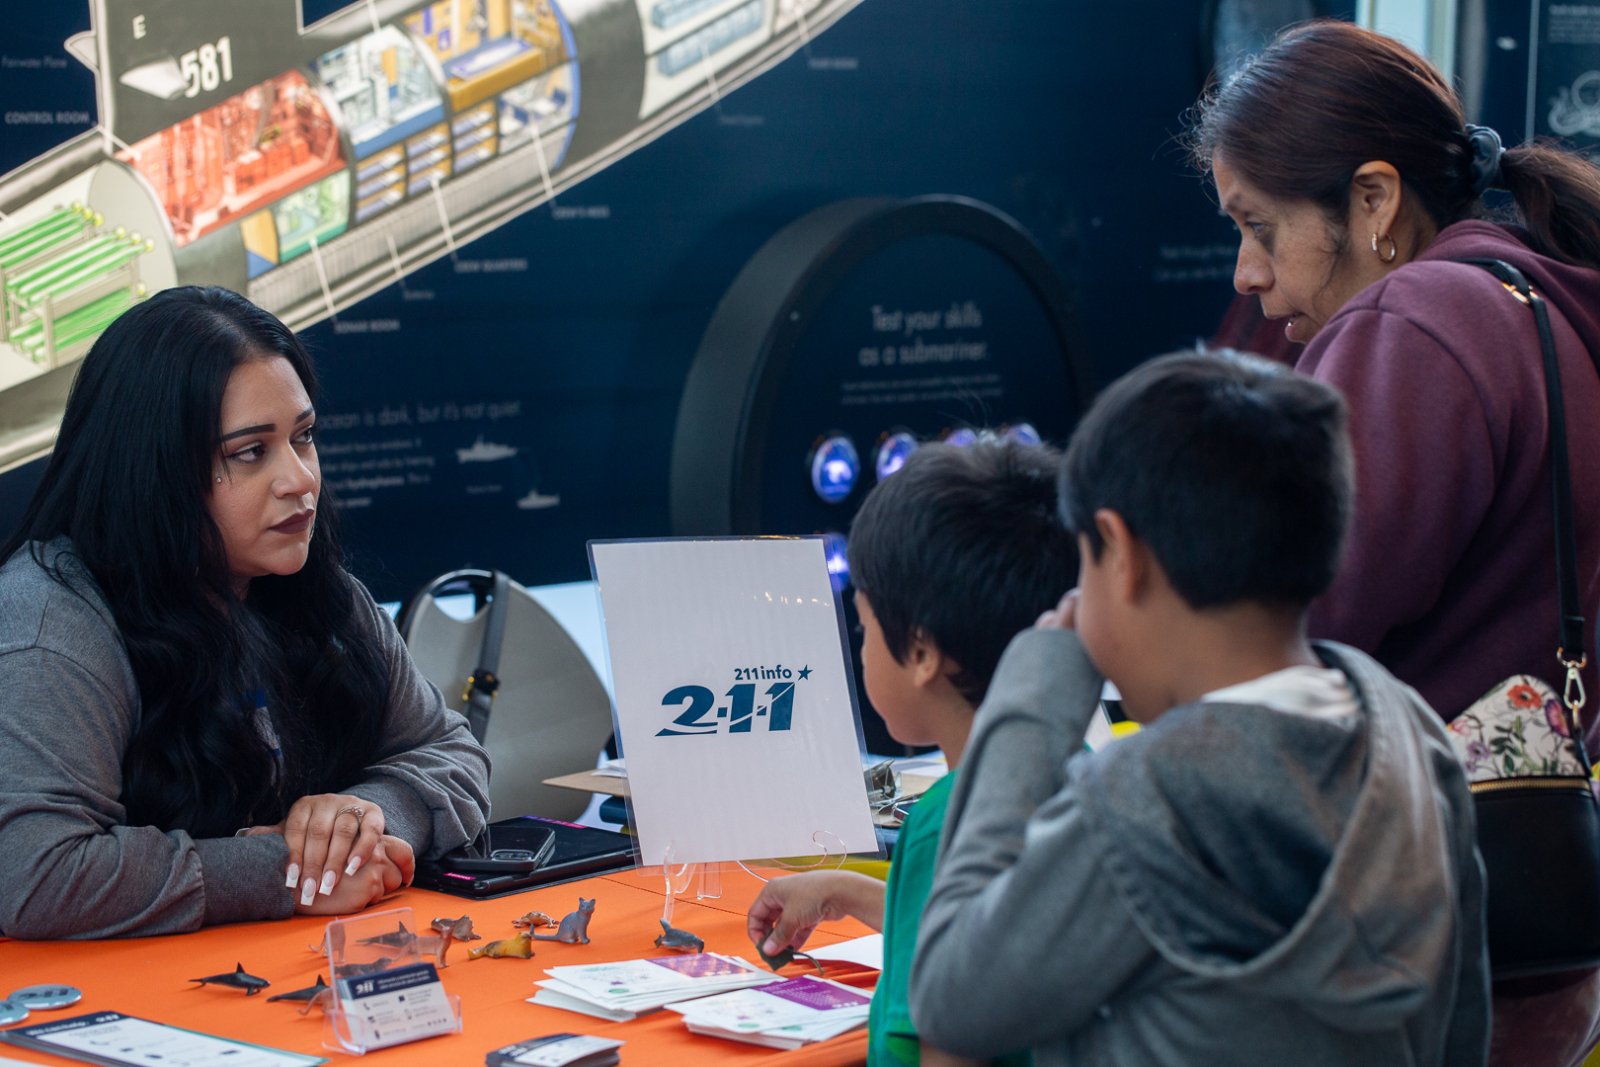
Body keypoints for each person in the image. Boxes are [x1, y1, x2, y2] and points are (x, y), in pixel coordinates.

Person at [1188, 21, 1600, 1064]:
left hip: (1406, 937)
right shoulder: (1537, 301)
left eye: (1260, 225)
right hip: (1537, 911)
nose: (1245, 271)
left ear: (1371, 202)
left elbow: (1288, 616)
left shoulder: (1412, 324)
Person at [909, 352, 1490, 1066]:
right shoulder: (1410, 731)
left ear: (1122, 555)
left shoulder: (1140, 800)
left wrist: (1030, 699)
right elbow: (1463, 1023)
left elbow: (951, 1000)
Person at [0, 286, 491, 939]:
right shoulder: (51, 620)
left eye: (304, 437)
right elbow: (36, 875)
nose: (299, 479)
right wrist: (283, 868)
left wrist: (360, 818)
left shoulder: (319, 591)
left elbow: (450, 749)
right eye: (251, 452)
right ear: (155, 469)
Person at [745, 438, 1078, 1067]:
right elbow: (983, 937)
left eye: (865, 627)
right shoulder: (1072, 777)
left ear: (922, 652)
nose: (863, 648)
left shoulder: (950, 820)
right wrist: (849, 889)